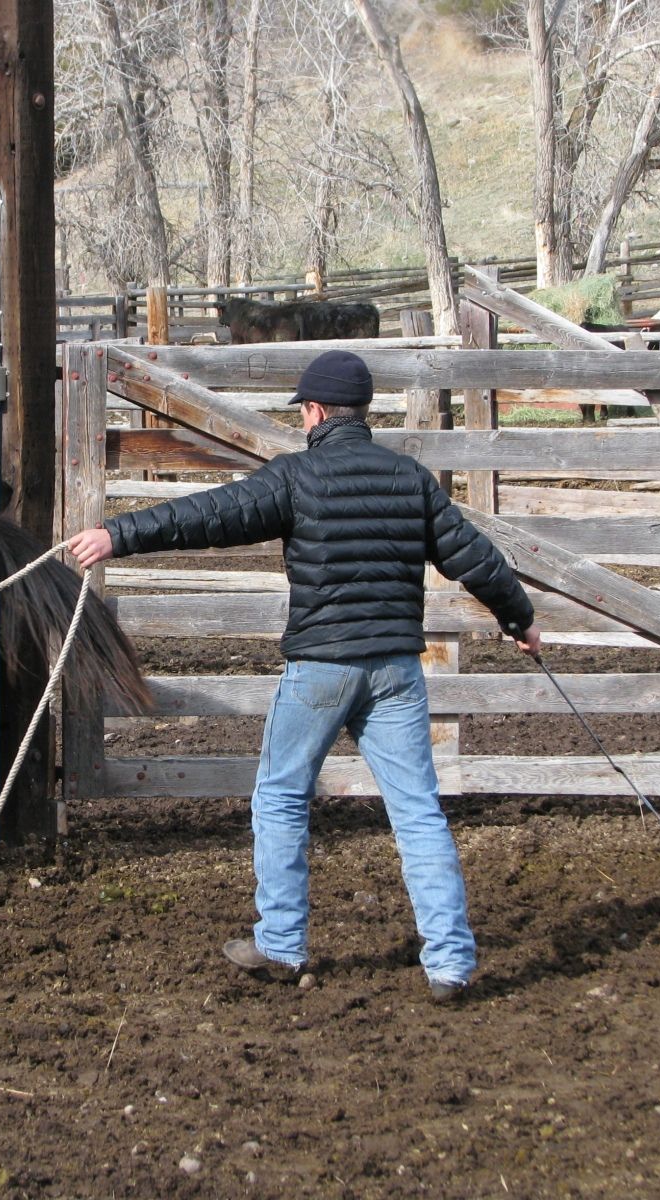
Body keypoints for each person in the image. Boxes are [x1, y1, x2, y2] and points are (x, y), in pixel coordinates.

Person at [66, 349, 541, 1000]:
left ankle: (283, 945)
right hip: (397, 669)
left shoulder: (297, 477)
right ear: (363, 412)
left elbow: (211, 515)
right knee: (418, 814)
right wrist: (521, 622)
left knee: (283, 797)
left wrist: (118, 535)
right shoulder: (410, 480)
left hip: (321, 667)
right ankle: (451, 963)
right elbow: (475, 558)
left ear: (315, 412)